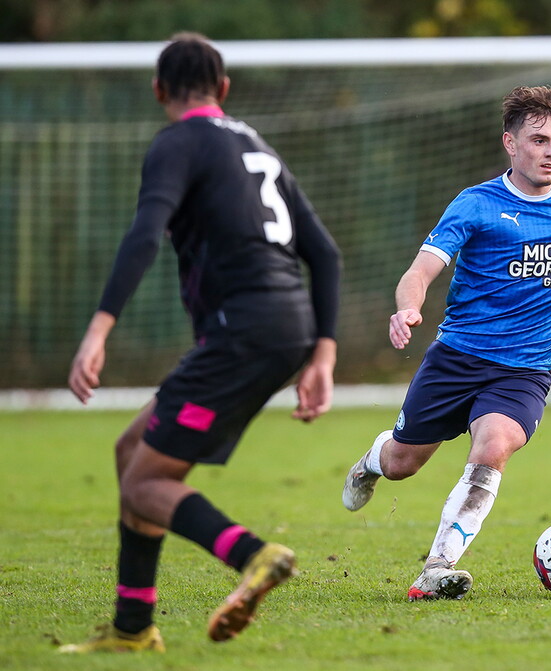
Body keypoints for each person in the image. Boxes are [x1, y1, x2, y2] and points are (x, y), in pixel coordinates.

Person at [59, 33, 341, 652]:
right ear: (225, 90)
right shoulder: (255, 145)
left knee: (143, 482)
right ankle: (133, 628)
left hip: (243, 330)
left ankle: (253, 554)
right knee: (131, 449)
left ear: (158, 90)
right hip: (284, 326)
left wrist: (99, 329)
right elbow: (323, 252)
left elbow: (144, 234)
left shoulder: (177, 141)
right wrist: (321, 354)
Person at [341, 85, 551, 601]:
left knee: (493, 447)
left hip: (524, 369)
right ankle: (372, 461)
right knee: (405, 463)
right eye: (538, 140)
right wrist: (408, 306)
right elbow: (420, 270)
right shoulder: (476, 205)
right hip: (457, 358)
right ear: (510, 144)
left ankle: (436, 568)